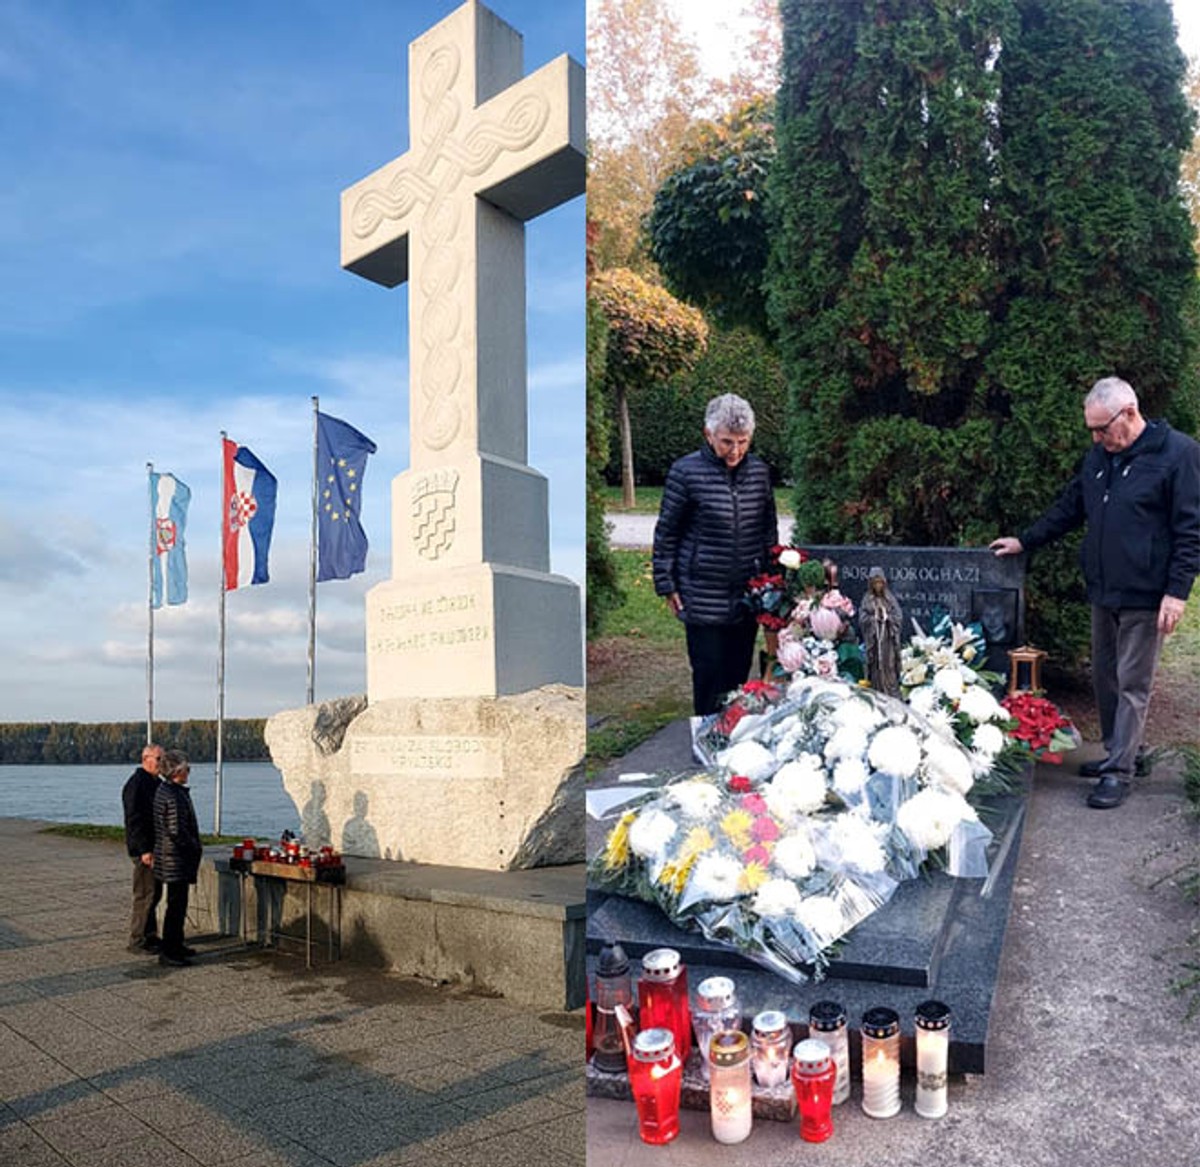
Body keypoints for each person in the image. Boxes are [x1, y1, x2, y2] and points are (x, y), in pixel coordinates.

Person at [991, 376, 1200, 809]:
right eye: (1092, 429)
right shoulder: (1101, 457)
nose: (1096, 437)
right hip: (1104, 589)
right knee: (1104, 677)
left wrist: (1176, 593)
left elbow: (1190, 530)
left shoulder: (1178, 454)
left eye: (1102, 428)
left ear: (1129, 413)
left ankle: (1118, 773)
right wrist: (1026, 541)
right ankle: (1122, 752)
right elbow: (1071, 506)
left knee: (1132, 684)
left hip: (1147, 593)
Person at [653, 393, 778, 715]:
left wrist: (772, 582)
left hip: (747, 592)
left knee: (738, 673)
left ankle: (733, 736)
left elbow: (768, 531)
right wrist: (666, 584)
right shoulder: (685, 472)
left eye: (743, 442)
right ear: (708, 435)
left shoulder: (760, 473)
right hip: (700, 590)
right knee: (708, 671)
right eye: (726, 442)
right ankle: (706, 739)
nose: (735, 451)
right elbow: (667, 532)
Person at [153, 749, 203, 966]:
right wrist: (193, 847)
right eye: (186, 769)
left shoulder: (167, 790)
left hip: (169, 856)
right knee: (176, 905)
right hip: (175, 858)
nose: (189, 772)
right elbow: (176, 831)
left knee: (177, 904)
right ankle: (170, 951)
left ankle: (176, 945)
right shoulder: (173, 795)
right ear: (176, 771)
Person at [121, 742, 164, 953]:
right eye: (158, 759)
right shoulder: (137, 784)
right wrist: (145, 849)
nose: (161, 763)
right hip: (144, 849)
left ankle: (150, 935)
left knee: (154, 893)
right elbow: (134, 820)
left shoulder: (155, 783)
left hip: (155, 847)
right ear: (145, 759)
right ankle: (137, 939)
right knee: (145, 894)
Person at [859, 566, 903, 697]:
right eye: (875, 583)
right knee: (876, 667)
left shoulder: (889, 598)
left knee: (889, 665)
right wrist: (874, 619)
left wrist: (887, 618)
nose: (878, 585)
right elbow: (862, 618)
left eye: (880, 582)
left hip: (888, 641)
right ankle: (877, 690)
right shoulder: (867, 599)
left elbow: (898, 616)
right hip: (874, 642)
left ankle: (891, 692)